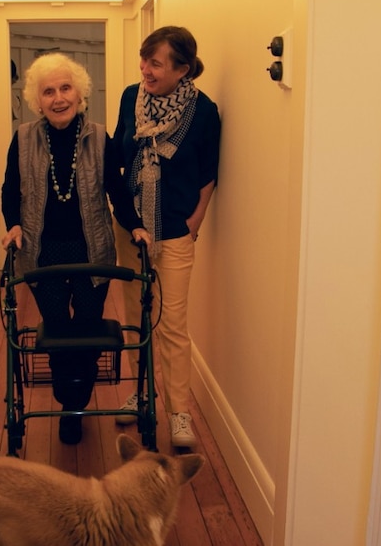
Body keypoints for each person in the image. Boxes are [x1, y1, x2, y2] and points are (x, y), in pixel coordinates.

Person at [1, 52, 151, 445]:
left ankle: (76, 403)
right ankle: (69, 404)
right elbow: (8, 190)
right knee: (58, 333)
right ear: (38, 99)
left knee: (85, 333)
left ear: (80, 92)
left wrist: (135, 226)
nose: (58, 98)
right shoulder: (23, 138)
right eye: (48, 91)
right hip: (42, 251)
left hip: (92, 251)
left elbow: (117, 191)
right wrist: (13, 225)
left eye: (65, 88)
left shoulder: (101, 137)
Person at [112, 26, 221, 448]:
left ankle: (179, 413)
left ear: (182, 69)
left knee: (173, 325)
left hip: (175, 233)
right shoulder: (129, 98)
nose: (145, 70)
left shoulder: (203, 111)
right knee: (135, 319)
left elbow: (209, 174)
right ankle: (141, 392)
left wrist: (195, 223)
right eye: (144, 60)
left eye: (155, 63)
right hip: (131, 230)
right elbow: (119, 159)